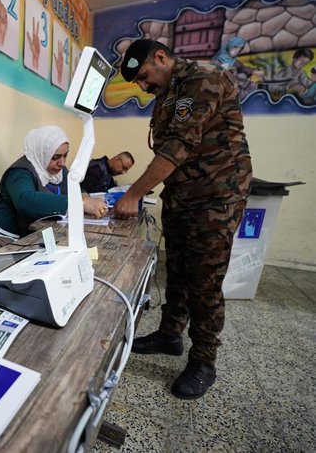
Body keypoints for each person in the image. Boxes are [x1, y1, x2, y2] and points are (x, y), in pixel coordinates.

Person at [115, 39, 252, 399]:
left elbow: (177, 146)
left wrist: (132, 194)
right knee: (176, 268)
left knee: (204, 279)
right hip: (182, 194)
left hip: (216, 195)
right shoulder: (168, 92)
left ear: (161, 57)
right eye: (139, 85)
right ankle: (170, 334)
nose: (144, 88)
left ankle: (204, 360)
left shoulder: (202, 79)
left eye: (145, 77)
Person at [0, 125, 108, 236]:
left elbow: (73, 185)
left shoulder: (58, 169)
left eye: (65, 155)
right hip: (11, 238)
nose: (62, 163)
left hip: (41, 232)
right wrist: (80, 204)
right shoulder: (19, 172)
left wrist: (85, 197)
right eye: (55, 157)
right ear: (42, 153)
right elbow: (26, 200)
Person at [209, 36, 264, 101]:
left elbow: (243, 68)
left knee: (252, 85)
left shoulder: (235, 61)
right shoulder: (217, 61)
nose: (236, 51)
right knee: (241, 93)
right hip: (224, 87)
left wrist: (254, 71)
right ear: (230, 46)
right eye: (235, 48)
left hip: (236, 83)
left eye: (239, 49)